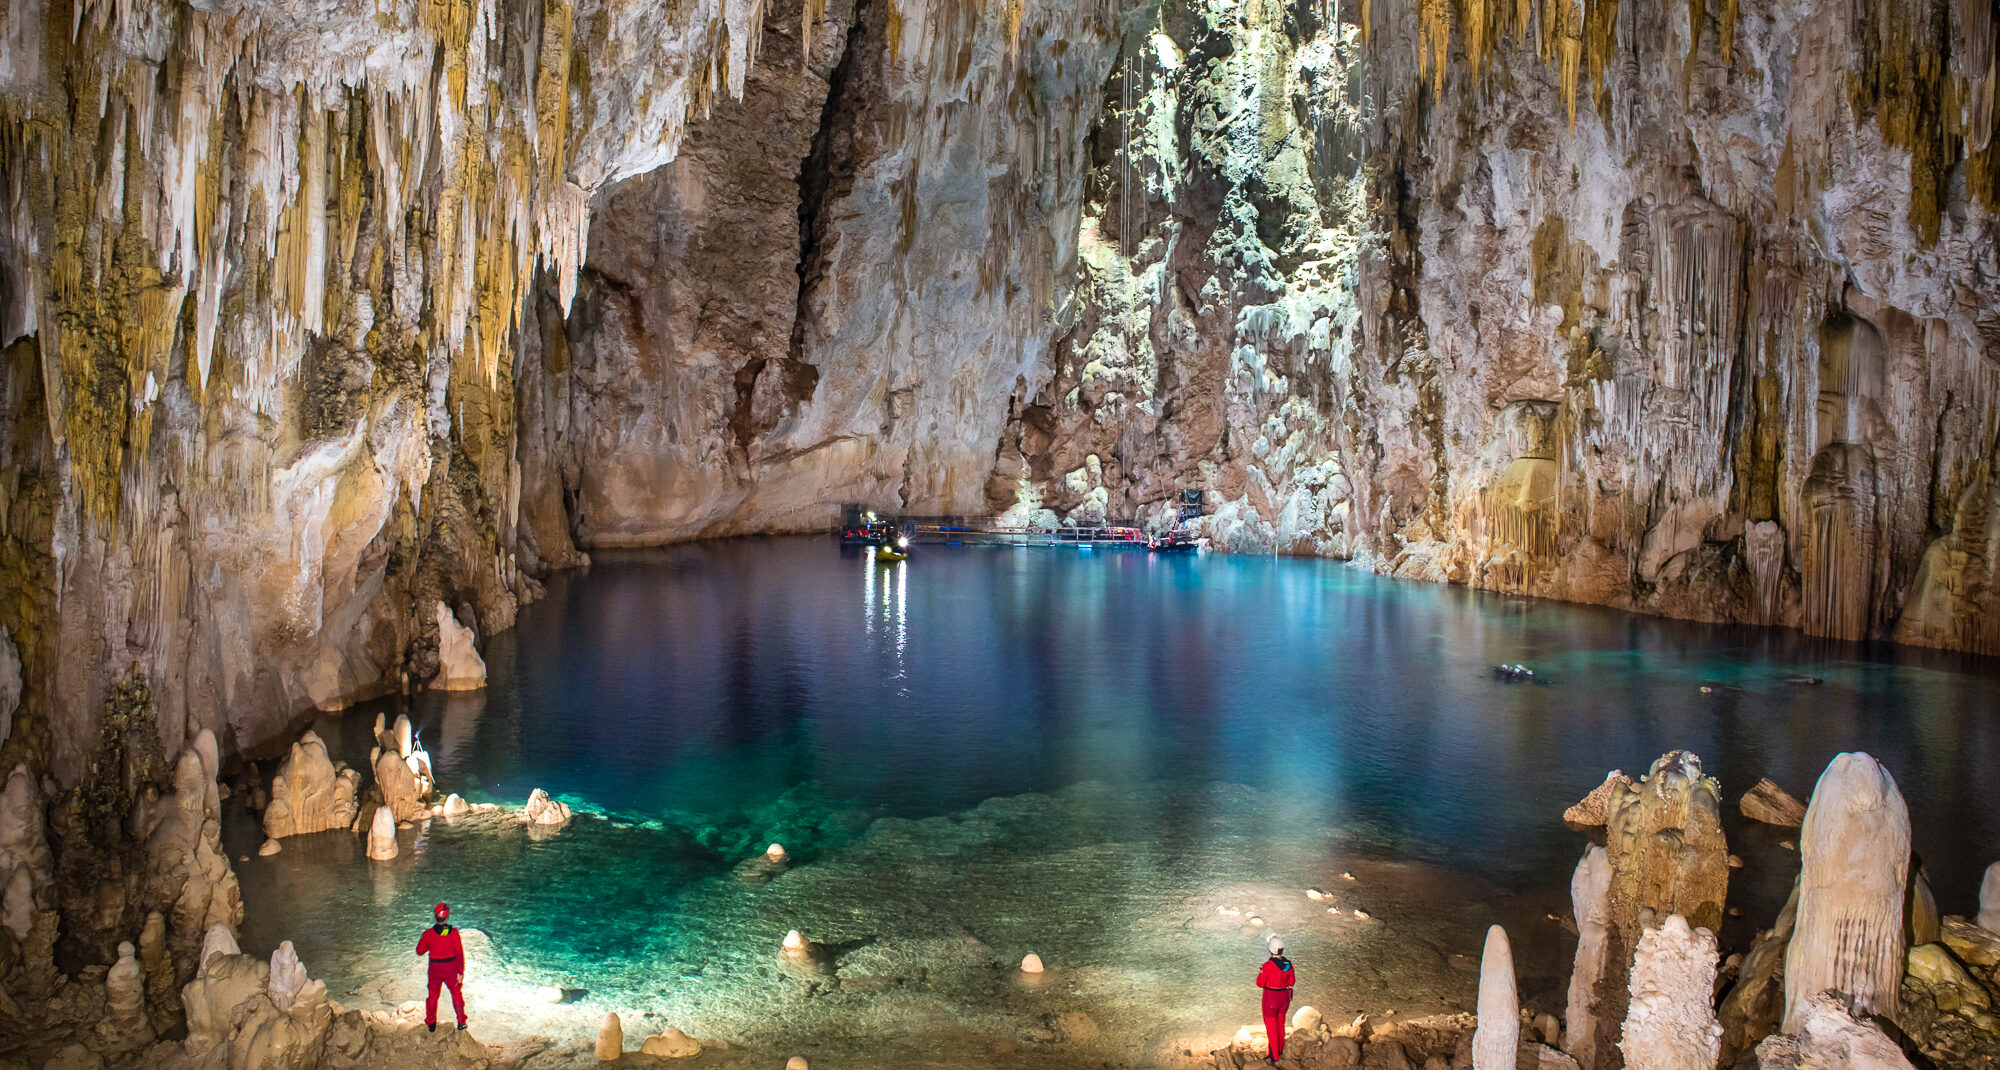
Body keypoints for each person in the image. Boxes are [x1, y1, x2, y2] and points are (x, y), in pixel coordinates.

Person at [416, 902, 467, 1032]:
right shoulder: (454, 933)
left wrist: (429, 945)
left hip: (435, 969)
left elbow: (420, 951)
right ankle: (461, 1022)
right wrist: (460, 972)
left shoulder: (428, 934)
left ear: (435, 917)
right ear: (447, 917)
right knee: (456, 995)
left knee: (433, 996)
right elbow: (459, 953)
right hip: (450, 968)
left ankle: (431, 1023)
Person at [1257, 935, 1296, 1064]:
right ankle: (1279, 1050)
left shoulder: (1267, 966)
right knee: (1280, 1024)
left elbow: (1260, 983)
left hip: (1271, 999)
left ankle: (1274, 1056)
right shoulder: (1288, 964)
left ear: (1271, 950)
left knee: (1271, 1027)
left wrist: (1261, 971)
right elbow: (1292, 981)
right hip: (1284, 999)